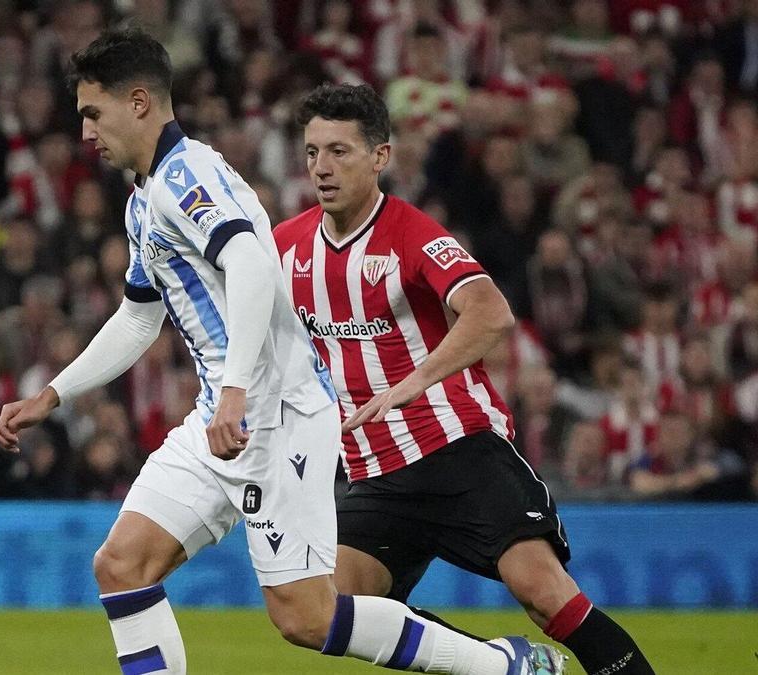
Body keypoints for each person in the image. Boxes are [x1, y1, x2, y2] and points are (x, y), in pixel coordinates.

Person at [0, 28, 539, 675]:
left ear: (138, 102)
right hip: (222, 414)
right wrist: (53, 393)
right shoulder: (146, 198)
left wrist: (236, 391)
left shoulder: (186, 176)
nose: (86, 132)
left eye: (93, 112)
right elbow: (139, 319)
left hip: (274, 412)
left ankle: (503, 665)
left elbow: (252, 262)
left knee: (306, 616)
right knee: (121, 563)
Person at [274, 82, 654, 675]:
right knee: (333, 612)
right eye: (312, 152)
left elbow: (490, 310)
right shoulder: (287, 247)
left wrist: (413, 381)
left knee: (542, 592)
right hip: (375, 473)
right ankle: (504, 665)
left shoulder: (412, 233)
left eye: (340, 151)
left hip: (458, 447)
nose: (322, 167)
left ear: (380, 156)